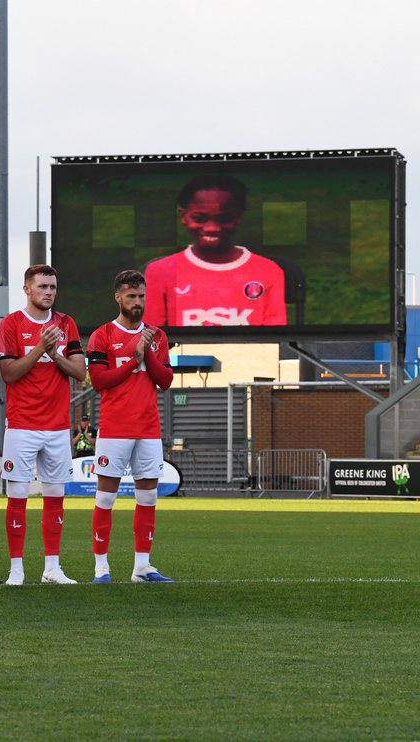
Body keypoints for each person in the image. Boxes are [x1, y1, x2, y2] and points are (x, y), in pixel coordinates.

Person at [0, 264, 86, 586]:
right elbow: (8, 374)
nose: (49, 292)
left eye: (53, 287)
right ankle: (16, 570)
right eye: (43, 286)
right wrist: (39, 349)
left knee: (55, 495)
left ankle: (52, 568)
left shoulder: (66, 323)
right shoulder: (10, 324)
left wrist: (54, 354)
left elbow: (79, 371)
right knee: (17, 494)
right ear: (27, 289)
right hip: (22, 424)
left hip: (58, 425)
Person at [86, 269, 175, 583]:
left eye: (141, 296)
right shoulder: (102, 336)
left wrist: (146, 354)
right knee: (106, 498)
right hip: (114, 428)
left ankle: (142, 567)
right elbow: (99, 381)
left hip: (148, 428)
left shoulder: (157, 335)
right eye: (131, 296)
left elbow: (165, 380)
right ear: (118, 297)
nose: (137, 302)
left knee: (148, 498)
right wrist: (134, 357)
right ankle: (101, 567)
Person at [144, 175, 287, 327]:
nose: (212, 228)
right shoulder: (159, 272)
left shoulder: (268, 271)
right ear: (183, 216)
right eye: (200, 218)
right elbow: (150, 339)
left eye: (224, 218)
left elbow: (275, 342)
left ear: (238, 217)